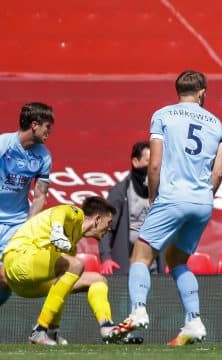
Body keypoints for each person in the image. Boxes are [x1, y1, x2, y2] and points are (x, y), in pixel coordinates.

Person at [118, 70, 222, 345]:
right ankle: (193, 320)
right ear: (202, 91)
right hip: (203, 201)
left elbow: (154, 164)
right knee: (177, 260)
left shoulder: (163, 115)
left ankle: (138, 310)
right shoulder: (218, 124)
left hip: (171, 198)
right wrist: (203, 196)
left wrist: (154, 197)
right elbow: (218, 175)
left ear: (178, 91)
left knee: (140, 257)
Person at [1, 196, 129, 345]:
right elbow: (60, 211)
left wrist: (54, 328)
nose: (109, 228)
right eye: (108, 223)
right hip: (18, 260)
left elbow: (61, 288)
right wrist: (57, 231)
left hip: (27, 286)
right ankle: (39, 330)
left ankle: (106, 327)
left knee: (97, 279)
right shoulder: (75, 214)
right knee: (75, 266)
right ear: (97, 219)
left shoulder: (72, 246)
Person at [0, 102, 54, 307]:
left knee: (6, 280)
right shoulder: (4, 144)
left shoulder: (44, 156)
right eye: (47, 127)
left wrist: (28, 225)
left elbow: (40, 195)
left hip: (16, 224)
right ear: (34, 125)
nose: (49, 132)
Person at [99, 141, 165, 276]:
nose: (153, 166)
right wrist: (106, 258)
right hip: (126, 265)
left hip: (154, 266)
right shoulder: (120, 192)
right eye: (148, 161)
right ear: (135, 162)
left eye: (155, 162)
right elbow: (106, 227)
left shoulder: (162, 192)